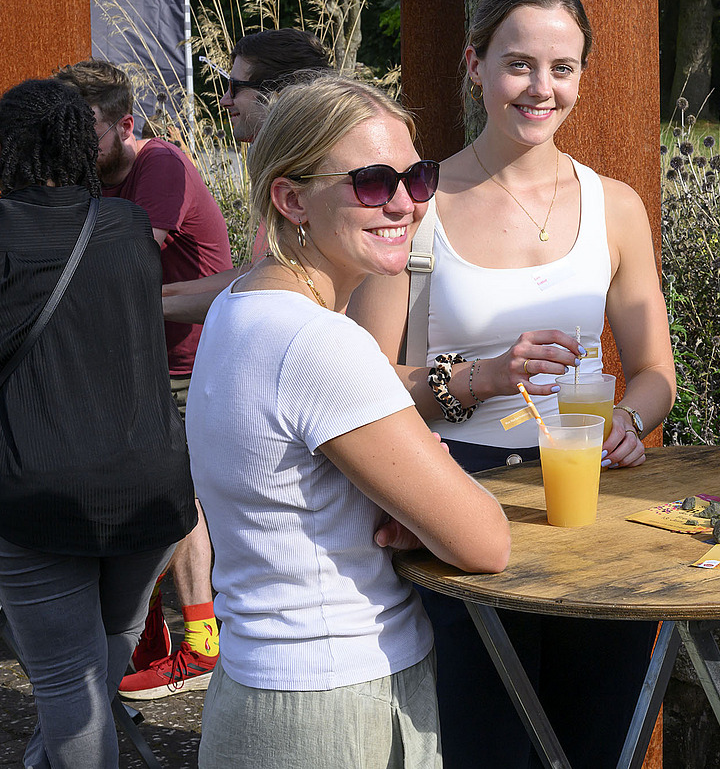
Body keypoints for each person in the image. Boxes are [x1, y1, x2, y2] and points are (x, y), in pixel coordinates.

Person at [350, 0, 677, 768]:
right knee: (484, 743)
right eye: (518, 63)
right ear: (475, 66)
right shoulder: (414, 204)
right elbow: (356, 391)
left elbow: (655, 372)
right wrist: (480, 376)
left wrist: (630, 422)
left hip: (592, 506)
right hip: (457, 501)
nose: (540, 87)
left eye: (561, 67)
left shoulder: (616, 205)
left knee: (601, 738)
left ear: (581, 77)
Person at [188, 75, 511, 767]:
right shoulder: (318, 343)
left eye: (416, 177)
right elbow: (484, 539)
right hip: (336, 700)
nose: (402, 202)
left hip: (261, 680)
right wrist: (429, 492)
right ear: (291, 197)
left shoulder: (240, 305)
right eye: (370, 182)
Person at [0, 78, 198, 768]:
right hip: (149, 485)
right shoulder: (125, 225)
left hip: (37, 490)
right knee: (99, 662)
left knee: (64, 682)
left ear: (3, 151)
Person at [52, 59, 234, 700]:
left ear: (125, 124)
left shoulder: (161, 166)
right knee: (127, 494)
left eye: (86, 133)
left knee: (171, 498)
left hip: (188, 365)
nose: (74, 150)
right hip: (134, 360)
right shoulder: (96, 173)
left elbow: (122, 258)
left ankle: (201, 643)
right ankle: (148, 638)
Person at [161, 27, 335, 325]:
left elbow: (272, 292)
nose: (224, 100)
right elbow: (260, 271)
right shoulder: (283, 163)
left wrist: (149, 307)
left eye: (235, 87)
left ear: (279, 93)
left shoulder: (312, 176)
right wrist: (166, 293)